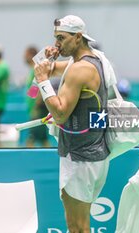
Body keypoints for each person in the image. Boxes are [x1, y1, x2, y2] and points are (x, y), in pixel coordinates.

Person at [34, 15, 110, 233]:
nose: (57, 43)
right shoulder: (90, 61)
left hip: (81, 157)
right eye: (55, 38)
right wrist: (44, 58)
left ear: (78, 37)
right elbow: (42, 70)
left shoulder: (79, 69)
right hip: (89, 154)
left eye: (62, 38)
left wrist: (42, 82)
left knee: (77, 228)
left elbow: (59, 113)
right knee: (77, 226)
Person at [24, 46, 51, 147]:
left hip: (37, 110)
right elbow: (33, 89)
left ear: (31, 56)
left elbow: (40, 86)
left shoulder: (37, 69)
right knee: (43, 138)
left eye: (25, 55)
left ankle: (28, 160)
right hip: (34, 109)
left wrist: (37, 104)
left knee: (31, 138)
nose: (24, 57)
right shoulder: (32, 71)